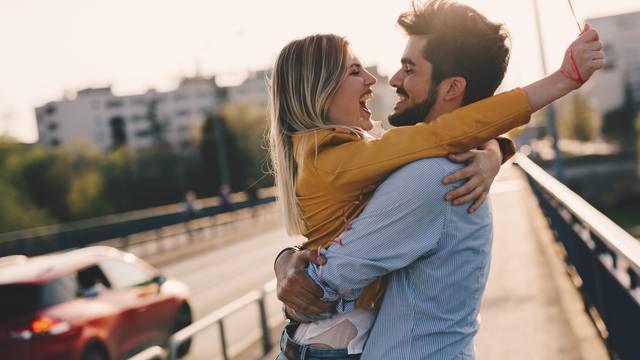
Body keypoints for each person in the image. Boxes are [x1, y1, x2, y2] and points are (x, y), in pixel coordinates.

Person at [271, 2, 604, 359]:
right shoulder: (345, 161)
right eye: (355, 71)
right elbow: (444, 136)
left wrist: (497, 144)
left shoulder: (431, 176)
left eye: (408, 69)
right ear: (320, 90)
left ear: (451, 88)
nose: (382, 80)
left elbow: (323, 284)